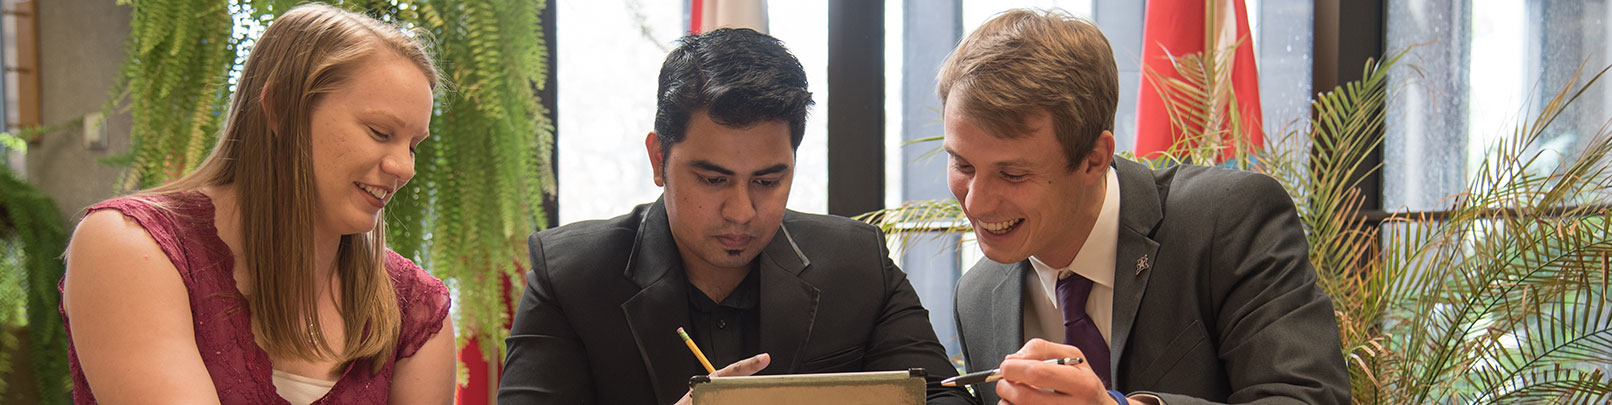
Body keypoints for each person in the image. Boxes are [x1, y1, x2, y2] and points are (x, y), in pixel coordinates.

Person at [498, 28, 974, 404]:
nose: (742, 211)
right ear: (658, 159)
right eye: (713, 180)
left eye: (768, 182)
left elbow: (940, 398)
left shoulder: (856, 262)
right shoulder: (572, 276)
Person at [941, 9, 1350, 405]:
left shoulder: (1227, 221)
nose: (975, 202)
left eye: (1012, 174)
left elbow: (1309, 398)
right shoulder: (977, 298)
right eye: (962, 164)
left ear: (1093, 159)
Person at [59, 3, 454, 404]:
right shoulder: (132, 245)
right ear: (281, 109)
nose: (404, 167)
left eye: (413, 146)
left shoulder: (416, 306)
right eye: (380, 131)